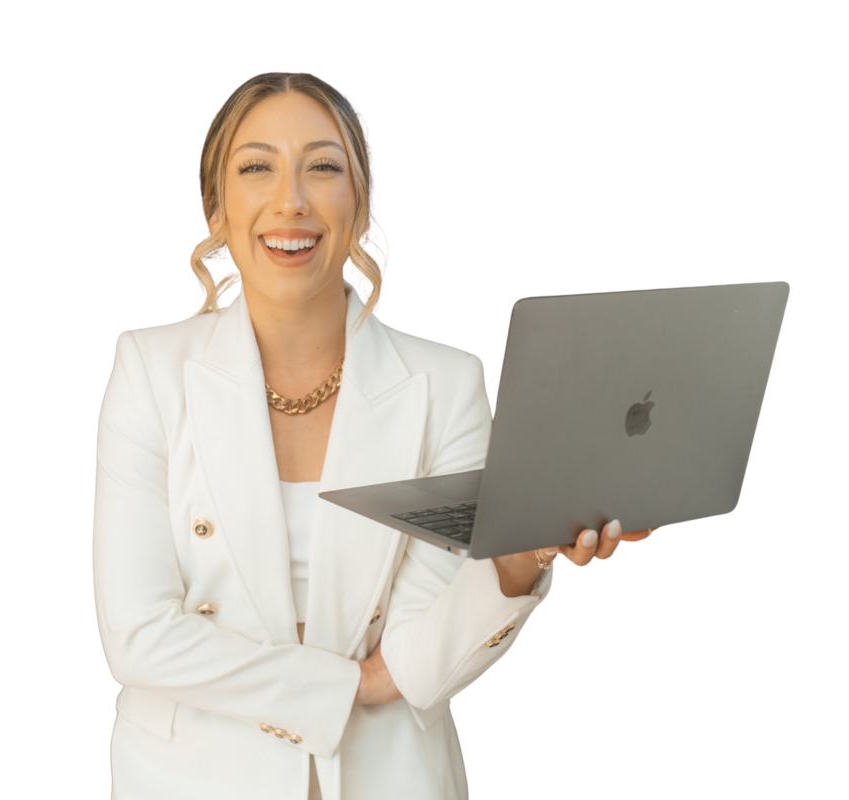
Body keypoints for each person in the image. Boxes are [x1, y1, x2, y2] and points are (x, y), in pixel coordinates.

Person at [92, 71, 660, 800]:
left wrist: (521, 556)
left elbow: (424, 663)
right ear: (215, 211)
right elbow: (137, 637)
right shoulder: (147, 369)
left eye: (323, 167)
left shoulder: (447, 384)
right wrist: (351, 684)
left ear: (363, 208)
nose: (290, 200)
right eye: (257, 167)